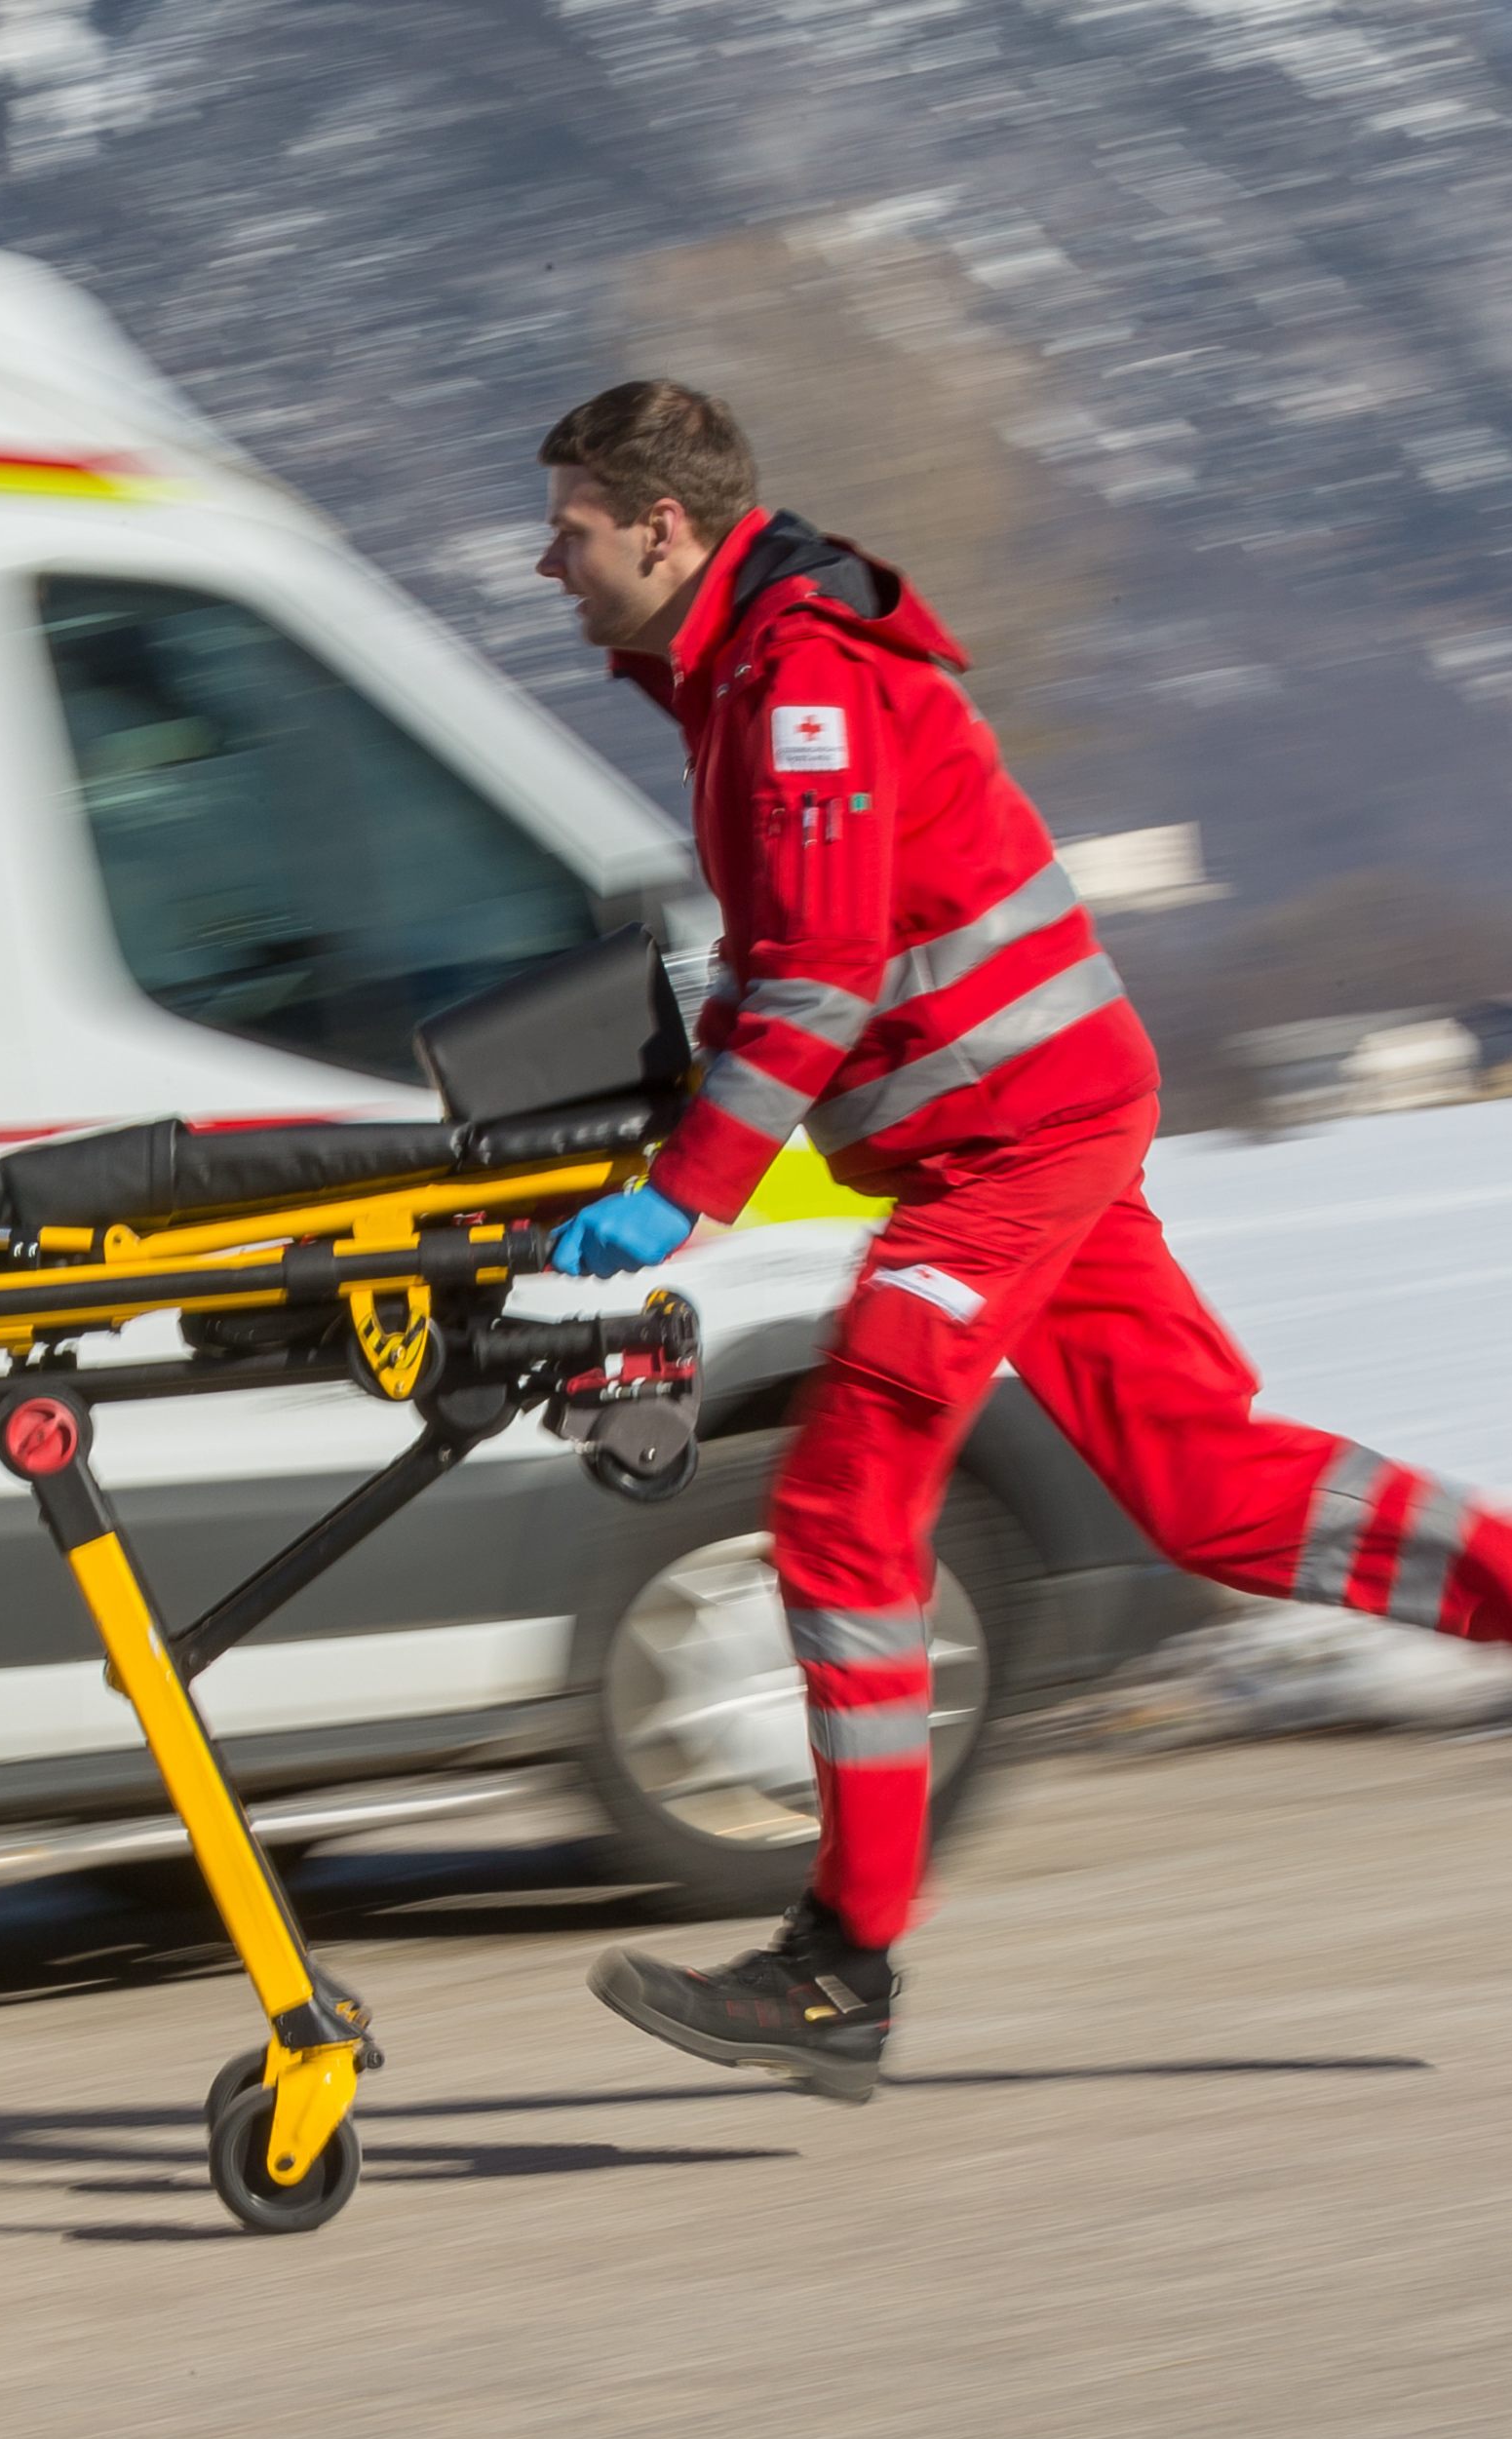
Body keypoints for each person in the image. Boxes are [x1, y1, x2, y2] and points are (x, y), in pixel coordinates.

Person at [532, 380, 1512, 2102]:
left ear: (661, 527)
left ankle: (839, 1969)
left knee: (844, 1505)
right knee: (1208, 1488)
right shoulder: (738, 672)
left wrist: (690, 1190)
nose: (549, 562)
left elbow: (829, 974)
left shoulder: (800, 680)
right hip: (1006, 1137)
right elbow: (800, 962)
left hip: (1016, 1146)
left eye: (571, 526)